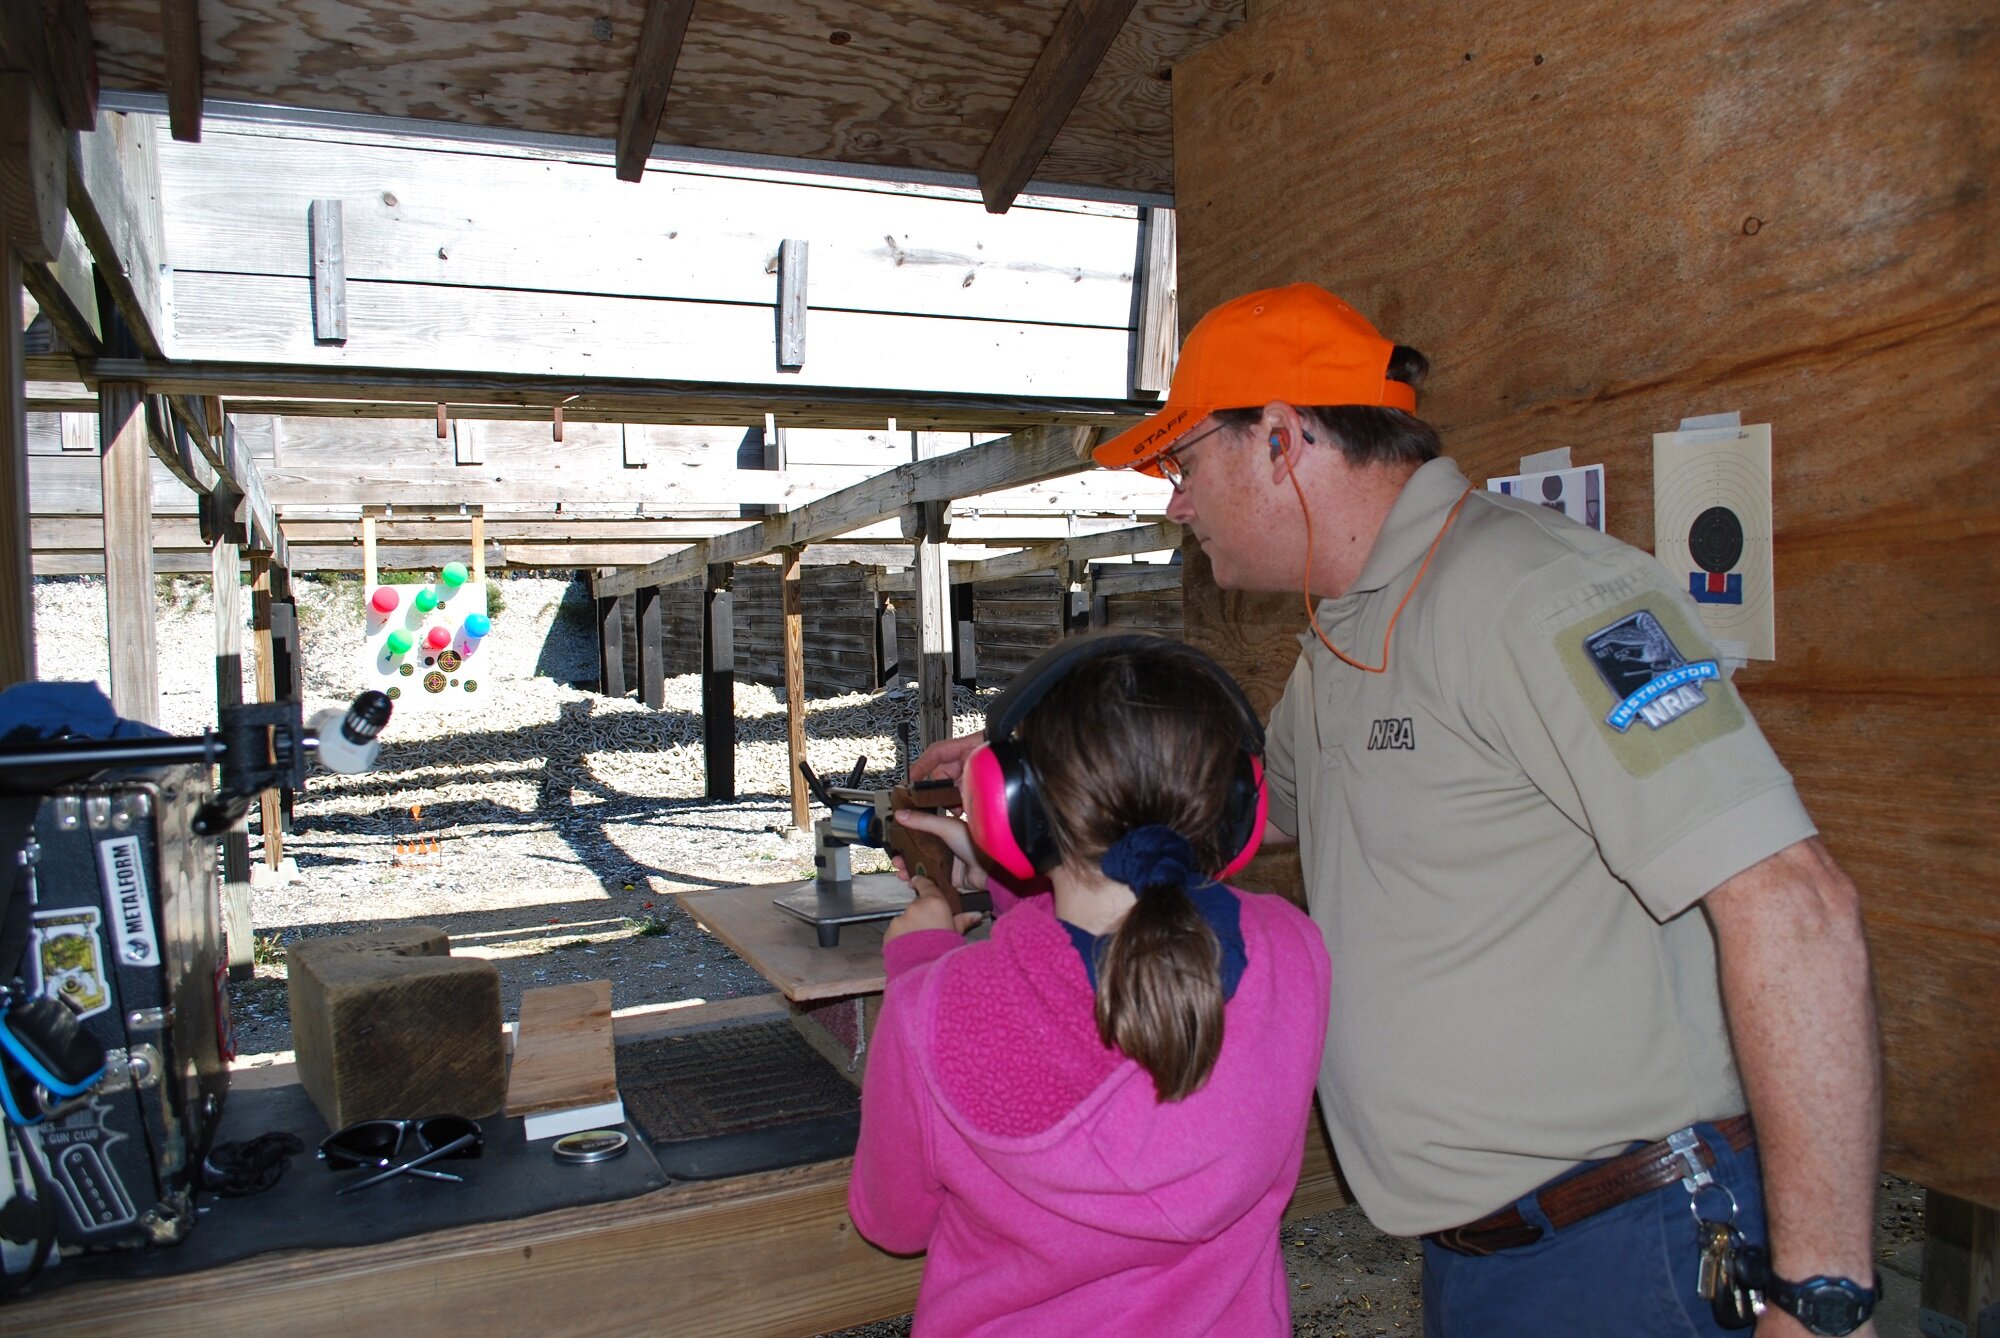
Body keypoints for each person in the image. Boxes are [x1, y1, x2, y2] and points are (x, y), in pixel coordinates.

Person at [910, 284, 1883, 1337]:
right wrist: (1032, 801)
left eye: (1183, 463)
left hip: (1628, 1238)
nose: (1174, 505)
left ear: (1281, 439)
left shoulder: (1545, 595)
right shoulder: (1345, 635)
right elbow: (1239, 814)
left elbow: (1793, 902)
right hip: (1489, 1254)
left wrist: (1818, 1292)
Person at [848, 631, 1332, 1337]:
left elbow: (893, 1220)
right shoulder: (1293, 950)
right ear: (1236, 804)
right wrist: (1021, 892)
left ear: (1011, 808)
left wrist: (920, 960)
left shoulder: (935, 1009)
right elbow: (1135, 962)